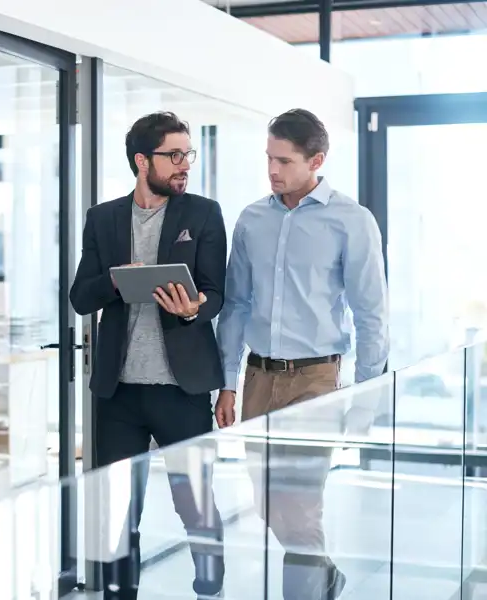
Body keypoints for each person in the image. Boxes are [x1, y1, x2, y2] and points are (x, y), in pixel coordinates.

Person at [215, 108, 389, 600]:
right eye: (269, 158)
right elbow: (236, 305)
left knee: (302, 505)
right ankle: (325, 575)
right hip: (258, 379)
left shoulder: (352, 221)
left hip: (316, 382)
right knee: (268, 504)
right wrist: (227, 382)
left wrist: (364, 401)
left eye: (285, 161)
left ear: (317, 161)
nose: (272, 170)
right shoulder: (251, 219)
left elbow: (371, 315)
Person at [70, 111, 227, 599]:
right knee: (117, 512)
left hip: (182, 389)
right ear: (142, 161)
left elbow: (216, 292)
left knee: (195, 505)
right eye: (174, 155)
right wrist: (117, 281)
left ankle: (210, 590)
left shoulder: (203, 214)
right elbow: (80, 297)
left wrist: (194, 308)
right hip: (118, 394)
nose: (185, 164)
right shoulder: (103, 219)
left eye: (187, 154)